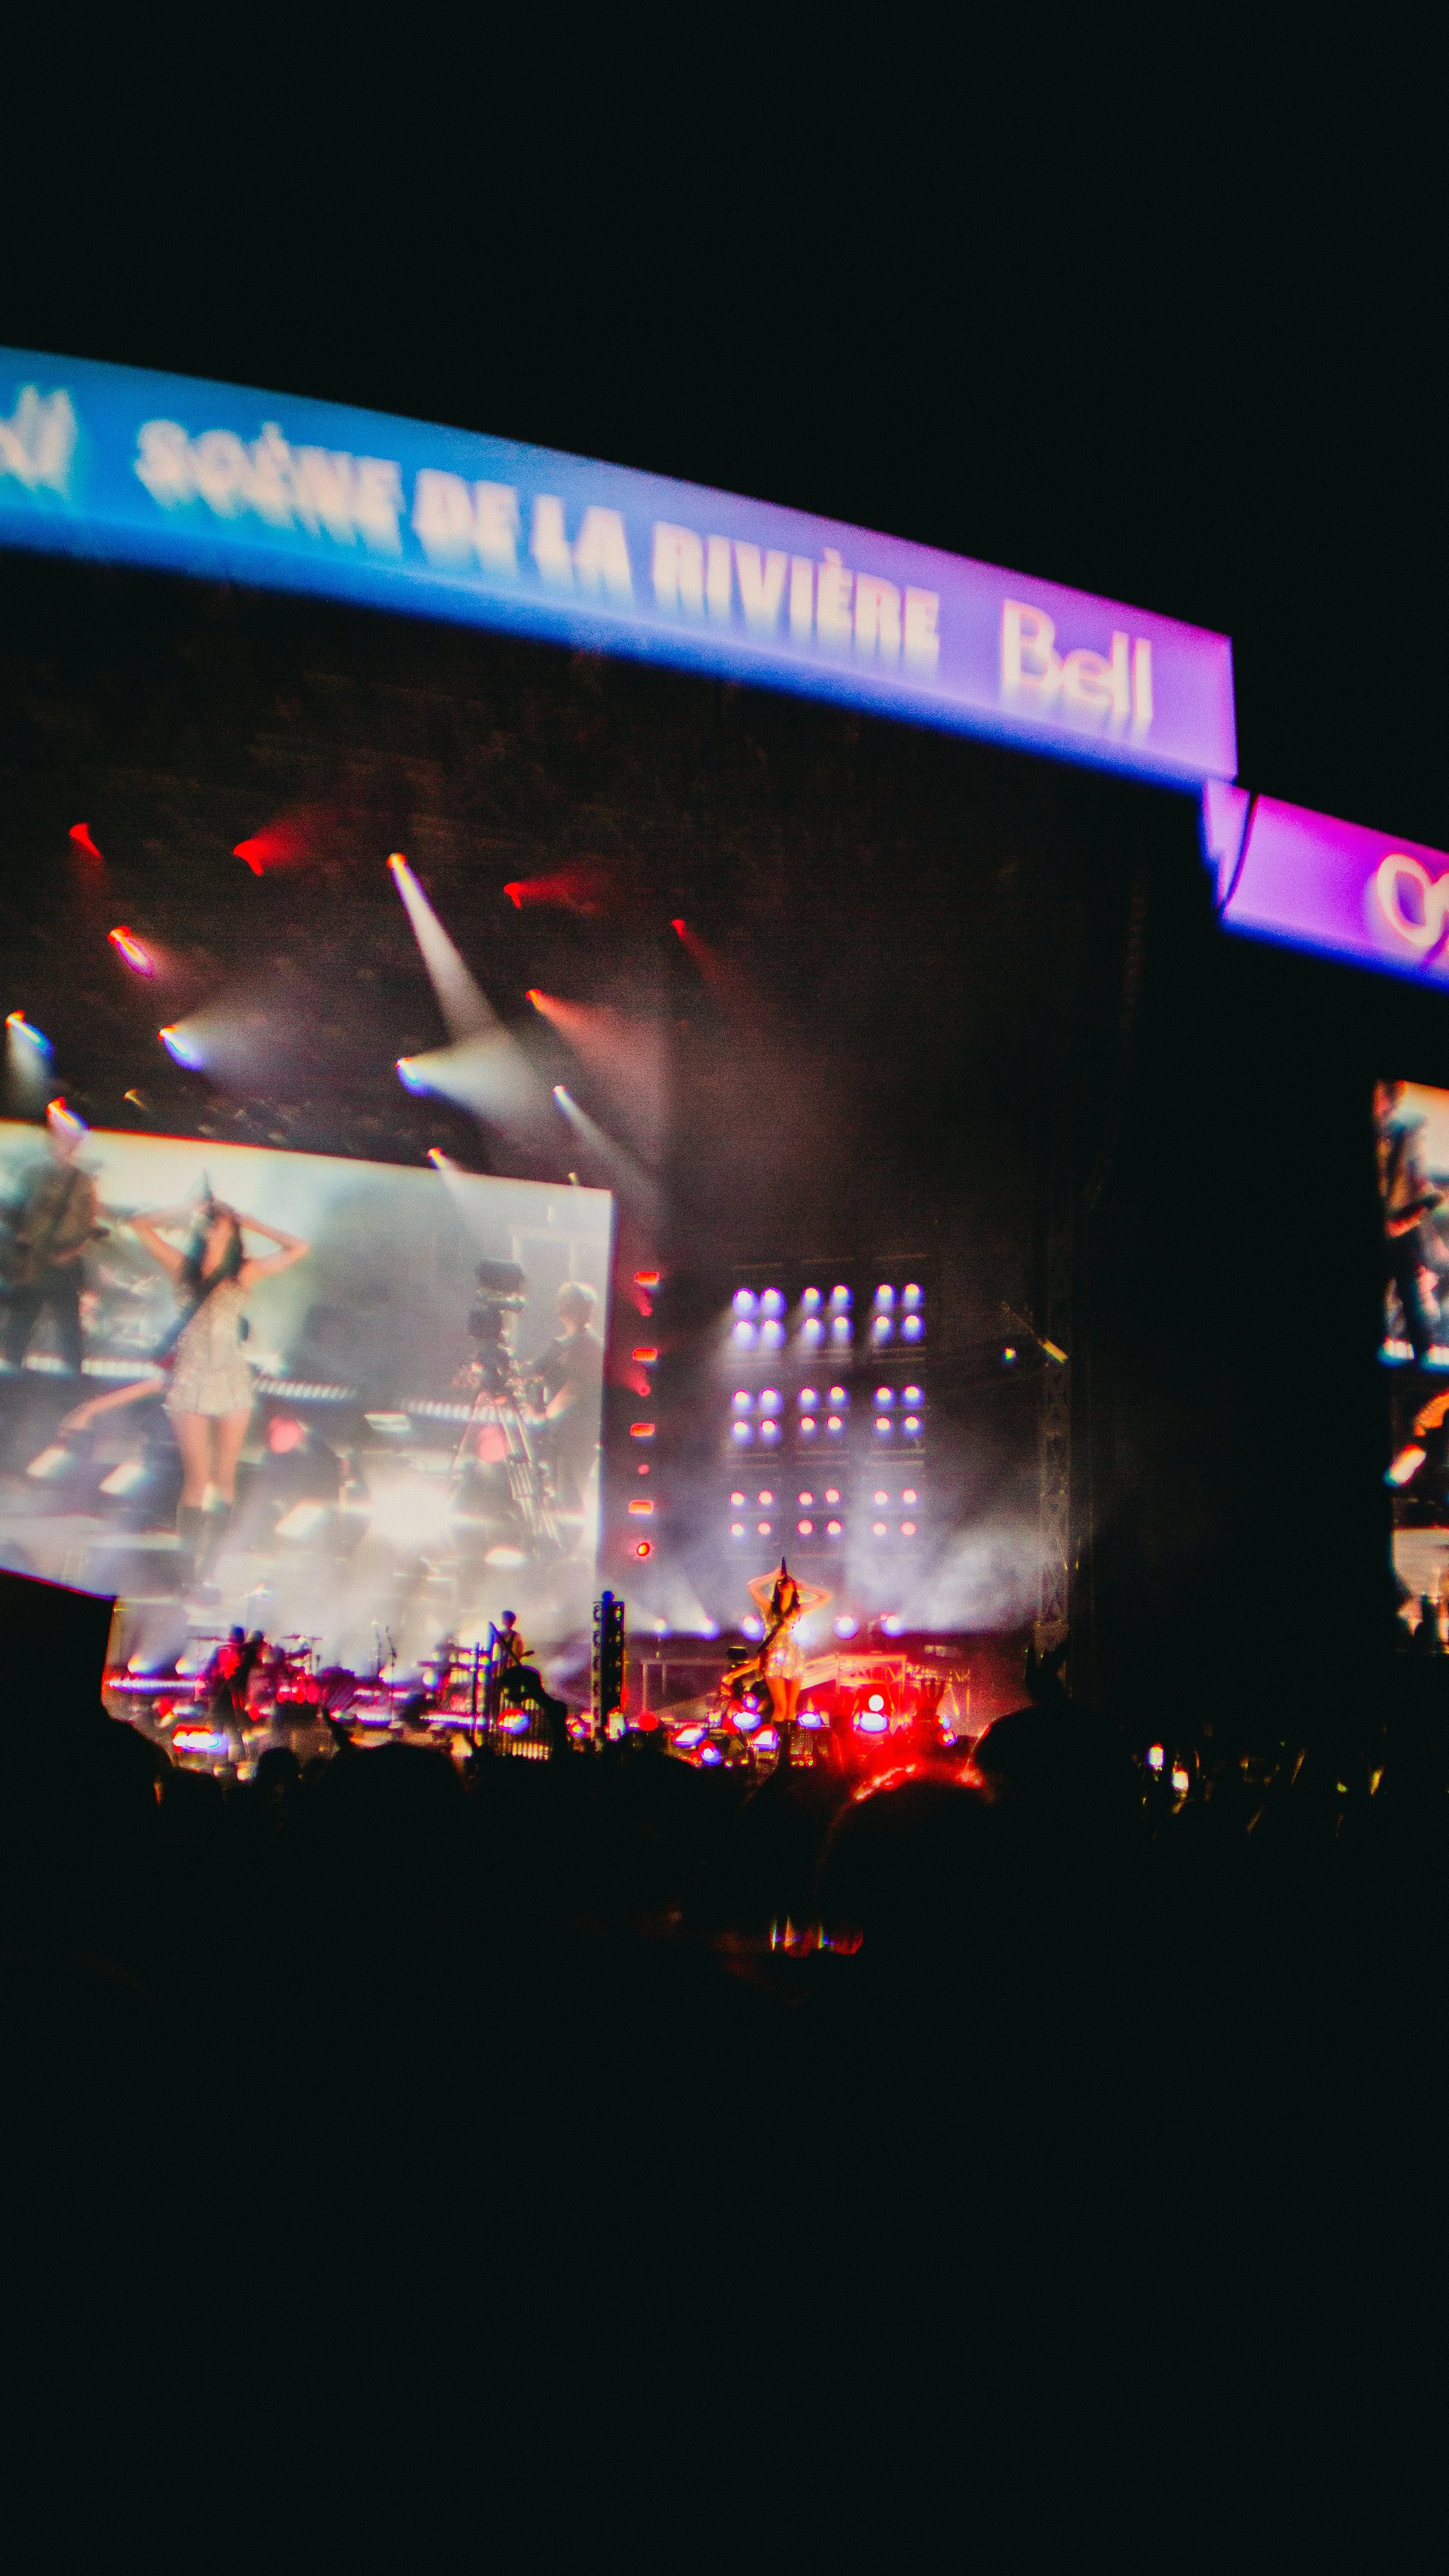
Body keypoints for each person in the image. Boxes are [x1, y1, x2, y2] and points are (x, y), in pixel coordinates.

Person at [60, 1195, 308, 1589]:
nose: (213, 1225)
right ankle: (189, 1566)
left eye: (220, 1221)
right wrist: (187, 1206)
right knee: (198, 1478)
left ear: (232, 1230)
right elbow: (140, 1226)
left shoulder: (243, 1273)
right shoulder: (183, 1268)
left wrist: (251, 1222)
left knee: (224, 1478)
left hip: (230, 1377)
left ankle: (211, 1564)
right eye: (209, 1220)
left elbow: (299, 1249)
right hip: (190, 1377)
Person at [1, 1119, 101, 1378]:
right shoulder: (33, 1174)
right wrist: (22, 1241)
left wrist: (71, 1252)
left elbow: (88, 1224)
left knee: (68, 1321)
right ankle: (14, 1368)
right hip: (33, 1261)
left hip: (65, 1261)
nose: (64, 1146)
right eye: (60, 1140)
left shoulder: (83, 1182)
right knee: (23, 1318)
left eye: (69, 1141)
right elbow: (15, 1213)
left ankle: (73, 1373)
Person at [1376, 1079, 1440, 1363]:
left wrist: (1405, 1221)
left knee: (1411, 1299)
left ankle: (1422, 1361)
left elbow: (1424, 1189)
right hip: (1390, 1232)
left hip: (1401, 1234)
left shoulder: (1405, 1132)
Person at [527, 1280, 605, 1515]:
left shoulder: (591, 1346)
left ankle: (568, 1534)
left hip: (578, 1433)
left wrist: (544, 1415)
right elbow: (534, 1372)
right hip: (558, 1433)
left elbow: (575, 1388)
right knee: (554, 1489)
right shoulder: (561, 1346)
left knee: (570, 1493)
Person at [746, 1559, 832, 1759]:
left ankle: (787, 1754)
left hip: (794, 1658)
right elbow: (752, 1587)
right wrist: (772, 1576)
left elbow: (826, 1597)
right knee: (781, 1708)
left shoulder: (798, 1610)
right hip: (775, 1660)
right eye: (782, 1583)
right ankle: (774, 1752)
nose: (785, 1584)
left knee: (791, 1710)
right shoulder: (770, 1608)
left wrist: (804, 1586)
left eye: (789, 1582)